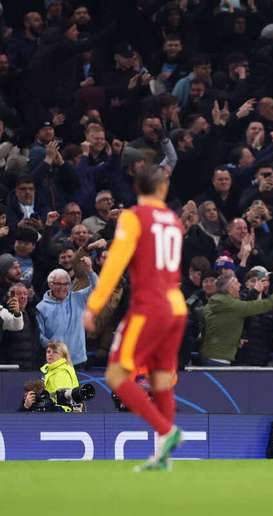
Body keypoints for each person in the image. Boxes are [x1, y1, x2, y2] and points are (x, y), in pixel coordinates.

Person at [82, 165, 187, 471]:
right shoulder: (174, 221)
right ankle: (162, 456)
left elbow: (116, 262)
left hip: (149, 307)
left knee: (116, 375)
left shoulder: (133, 217)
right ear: (162, 189)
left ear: (136, 190)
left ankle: (168, 432)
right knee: (161, 380)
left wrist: (94, 305)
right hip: (176, 307)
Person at [36, 265, 97, 369]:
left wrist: (90, 271)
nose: (62, 288)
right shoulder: (41, 307)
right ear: (50, 284)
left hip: (78, 360)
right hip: (55, 362)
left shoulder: (79, 298)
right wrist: (54, 346)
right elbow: (39, 336)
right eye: (58, 284)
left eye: (66, 284)